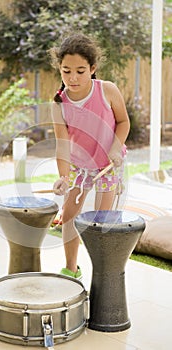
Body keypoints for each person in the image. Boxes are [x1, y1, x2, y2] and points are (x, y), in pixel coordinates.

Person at [49, 33, 130, 279]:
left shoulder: (107, 91)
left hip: (108, 165)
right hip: (79, 167)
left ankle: (103, 273)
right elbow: (62, 145)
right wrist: (63, 177)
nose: (73, 78)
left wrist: (116, 148)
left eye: (80, 71)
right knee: (70, 216)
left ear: (93, 69)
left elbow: (124, 122)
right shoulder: (59, 103)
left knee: (100, 222)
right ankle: (71, 269)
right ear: (60, 69)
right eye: (66, 71)